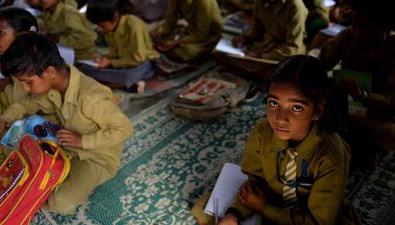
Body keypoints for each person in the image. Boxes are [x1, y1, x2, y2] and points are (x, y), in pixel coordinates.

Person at [191, 55, 360, 225]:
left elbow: (319, 221)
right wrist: (235, 213)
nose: (280, 118)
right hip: (272, 198)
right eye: (273, 104)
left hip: (309, 215)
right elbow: (255, 181)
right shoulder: (262, 133)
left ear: (317, 110)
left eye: (296, 107)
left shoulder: (331, 155)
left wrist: (265, 209)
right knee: (205, 210)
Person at [0, 33, 133, 214]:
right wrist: (4, 119)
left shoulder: (90, 97)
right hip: (65, 143)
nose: (26, 88)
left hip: (95, 156)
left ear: (50, 72)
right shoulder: (53, 85)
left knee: (59, 203)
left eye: (28, 82)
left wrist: (83, 141)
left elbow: (125, 129)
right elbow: (25, 104)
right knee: (15, 153)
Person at [318, 0, 395, 160]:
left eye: (367, 29)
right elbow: (321, 64)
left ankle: (348, 138)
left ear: (387, 27)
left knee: (391, 134)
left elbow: (391, 102)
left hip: (374, 114)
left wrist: (362, 95)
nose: (358, 33)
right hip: (343, 106)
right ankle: (355, 142)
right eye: (356, 26)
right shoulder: (348, 35)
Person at [0, 7, 54, 164]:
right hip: (14, 112)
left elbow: (23, 105)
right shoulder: (8, 58)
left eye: (1, 33)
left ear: (22, 36)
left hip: (31, 120)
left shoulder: (32, 67)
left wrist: (6, 86)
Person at [82, 0, 159, 94]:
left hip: (143, 64)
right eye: (97, 25)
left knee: (127, 76)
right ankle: (127, 84)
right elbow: (114, 52)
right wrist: (104, 58)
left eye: (102, 25)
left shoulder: (134, 25)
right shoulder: (109, 28)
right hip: (123, 62)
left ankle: (125, 83)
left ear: (115, 17)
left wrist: (111, 62)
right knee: (84, 69)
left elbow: (138, 59)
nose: (99, 29)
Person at [151, 0, 223, 62]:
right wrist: (161, 32)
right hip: (191, 30)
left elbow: (202, 35)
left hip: (209, 36)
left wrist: (177, 42)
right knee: (154, 34)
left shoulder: (204, 2)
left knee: (187, 52)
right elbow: (170, 20)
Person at [28, 0, 96, 61]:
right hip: (63, 54)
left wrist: (59, 39)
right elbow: (45, 26)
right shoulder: (48, 12)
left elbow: (86, 41)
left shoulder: (69, 13)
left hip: (82, 58)